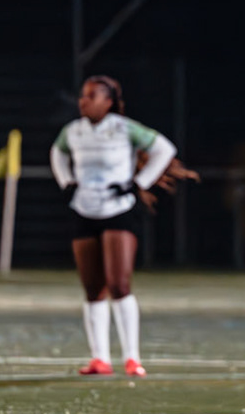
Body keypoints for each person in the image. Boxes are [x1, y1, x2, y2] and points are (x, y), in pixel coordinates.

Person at [50, 76, 178, 376]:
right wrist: (66, 182)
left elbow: (164, 149)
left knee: (119, 284)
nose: (84, 101)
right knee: (93, 287)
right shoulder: (73, 131)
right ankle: (100, 358)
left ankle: (132, 358)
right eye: (83, 95)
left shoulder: (124, 128)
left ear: (108, 102)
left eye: (91, 96)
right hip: (84, 209)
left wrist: (138, 184)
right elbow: (57, 154)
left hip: (117, 211)